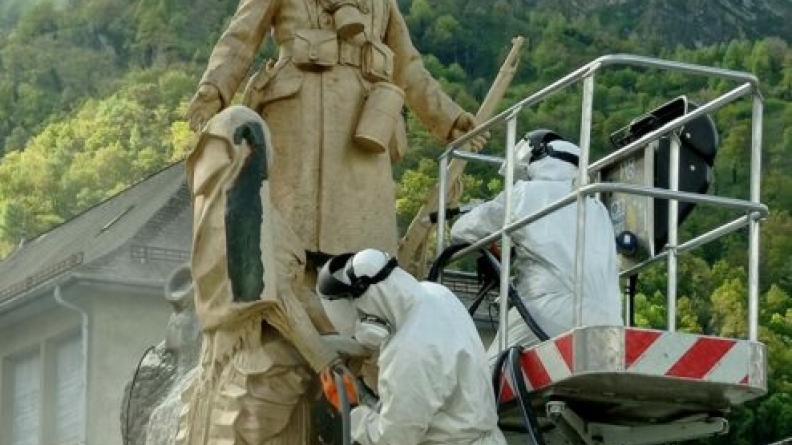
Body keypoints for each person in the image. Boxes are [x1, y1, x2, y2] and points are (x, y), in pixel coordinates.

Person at [451, 130, 623, 363]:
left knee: (485, 376)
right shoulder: (598, 209)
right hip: (609, 322)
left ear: (537, 162)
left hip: (548, 309)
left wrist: (494, 245)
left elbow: (462, 230)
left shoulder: (526, 194)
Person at [316, 249, 507, 445]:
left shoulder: (408, 352)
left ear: (367, 300)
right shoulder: (436, 293)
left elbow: (393, 440)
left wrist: (350, 408)